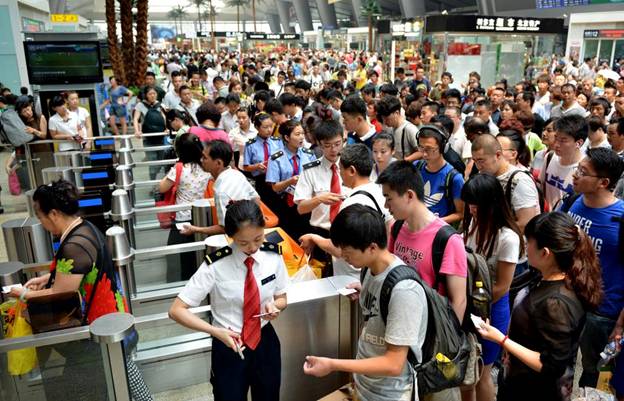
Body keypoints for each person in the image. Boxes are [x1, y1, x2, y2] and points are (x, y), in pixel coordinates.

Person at [9, 180, 152, 401]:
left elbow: (59, 294)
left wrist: (22, 293)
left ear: (54, 213)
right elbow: (83, 271)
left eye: (41, 217)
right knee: (116, 381)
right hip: (111, 320)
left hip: (96, 333)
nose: (42, 223)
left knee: (91, 388)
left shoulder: (73, 245)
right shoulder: (84, 227)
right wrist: (50, 276)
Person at [303, 204, 428, 401]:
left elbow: (393, 364)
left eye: (348, 251)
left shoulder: (404, 292)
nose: (343, 256)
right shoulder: (369, 269)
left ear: (372, 247)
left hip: (389, 394)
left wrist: (333, 365)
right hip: (365, 386)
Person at [170, 200, 288, 401]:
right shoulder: (215, 265)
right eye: (243, 242)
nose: (252, 247)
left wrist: (274, 306)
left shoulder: (272, 256)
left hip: (265, 340)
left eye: (258, 239)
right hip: (228, 342)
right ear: (230, 236)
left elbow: (282, 298)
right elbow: (176, 310)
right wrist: (215, 332)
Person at [477, 212, 603, 401]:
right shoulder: (542, 275)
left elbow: (551, 365)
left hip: (535, 392)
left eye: (528, 243)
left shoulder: (557, 303)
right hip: (517, 379)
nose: (525, 248)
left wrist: (501, 339)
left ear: (545, 253)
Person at [562, 148, 624, 391]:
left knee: (594, 373)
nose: (575, 175)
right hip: (570, 300)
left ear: (604, 182)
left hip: (603, 313)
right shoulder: (574, 202)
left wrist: (620, 325)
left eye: (583, 172)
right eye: (577, 169)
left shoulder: (619, 218)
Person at [461, 173, 523, 401]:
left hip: (491, 311)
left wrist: (473, 308)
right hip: (467, 304)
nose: (472, 208)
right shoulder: (472, 225)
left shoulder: (508, 238)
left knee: (483, 373)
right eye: (470, 203)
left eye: (477, 204)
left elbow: (502, 286)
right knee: (467, 373)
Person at [300, 144, 393, 279]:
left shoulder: (351, 204)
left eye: (340, 169)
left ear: (351, 170)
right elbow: (390, 228)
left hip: (351, 275)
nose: (340, 173)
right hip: (372, 270)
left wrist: (314, 238)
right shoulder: (379, 191)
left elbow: (339, 250)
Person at [294, 120, 347, 276]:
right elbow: (301, 208)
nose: (333, 149)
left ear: (344, 140)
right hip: (321, 234)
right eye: (327, 145)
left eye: (337, 144)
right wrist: (319, 199)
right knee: (323, 279)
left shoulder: (352, 167)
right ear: (319, 144)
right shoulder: (310, 170)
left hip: (348, 234)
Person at [160, 133, 211, 282]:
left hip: (181, 218)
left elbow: (162, 188)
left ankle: (183, 283)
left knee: (180, 256)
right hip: (200, 217)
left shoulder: (179, 168)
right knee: (198, 254)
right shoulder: (205, 167)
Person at [181, 140, 259, 237]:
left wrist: (195, 229)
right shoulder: (237, 174)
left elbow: (225, 228)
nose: (201, 160)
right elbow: (256, 197)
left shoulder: (221, 191)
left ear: (218, 163)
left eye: (205, 158)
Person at [471, 134, 540, 233]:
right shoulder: (484, 174)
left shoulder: (520, 181)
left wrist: (492, 232)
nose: (478, 166)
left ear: (498, 155)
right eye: (475, 161)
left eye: (481, 160)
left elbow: (526, 224)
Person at [265, 120, 316, 240]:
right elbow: (275, 187)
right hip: (286, 204)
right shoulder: (276, 158)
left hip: (306, 201)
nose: (302, 137)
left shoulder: (308, 154)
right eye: (297, 134)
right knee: (289, 235)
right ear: (287, 137)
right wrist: (290, 181)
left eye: (302, 134)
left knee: (306, 234)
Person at [540, 114, 587, 210]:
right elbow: (542, 187)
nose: (556, 144)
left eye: (563, 141)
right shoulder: (549, 157)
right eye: (556, 138)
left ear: (578, 143)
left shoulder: (585, 169)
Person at [244, 112, 283, 211]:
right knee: (264, 208)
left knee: (278, 207)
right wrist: (257, 166)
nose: (269, 130)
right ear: (257, 127)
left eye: (271, 126)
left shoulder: (277, 142)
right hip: (261, 180)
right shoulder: (250, 145)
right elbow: (246, 167)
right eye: (265, 127)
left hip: (276, 179)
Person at [133, 86, 168, 180]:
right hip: (147, 139)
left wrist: (167, 129)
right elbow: (136, 119)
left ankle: (159, 183)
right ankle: (152, 182)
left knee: (161, 161)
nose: (152, 96)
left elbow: (165, 118)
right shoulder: (140, 105)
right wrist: (137, 131)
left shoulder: (161, 105)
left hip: (160, 138)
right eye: (150, 94)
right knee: (152, 162)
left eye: (154, 94)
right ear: (146, 95)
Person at [376, 95, 420, 161]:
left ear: (396, 113)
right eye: (383, 119)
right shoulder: (389, 128)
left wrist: (407, 160)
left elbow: (421, 152)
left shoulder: (410, 129)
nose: (385, 122)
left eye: (387, 119)